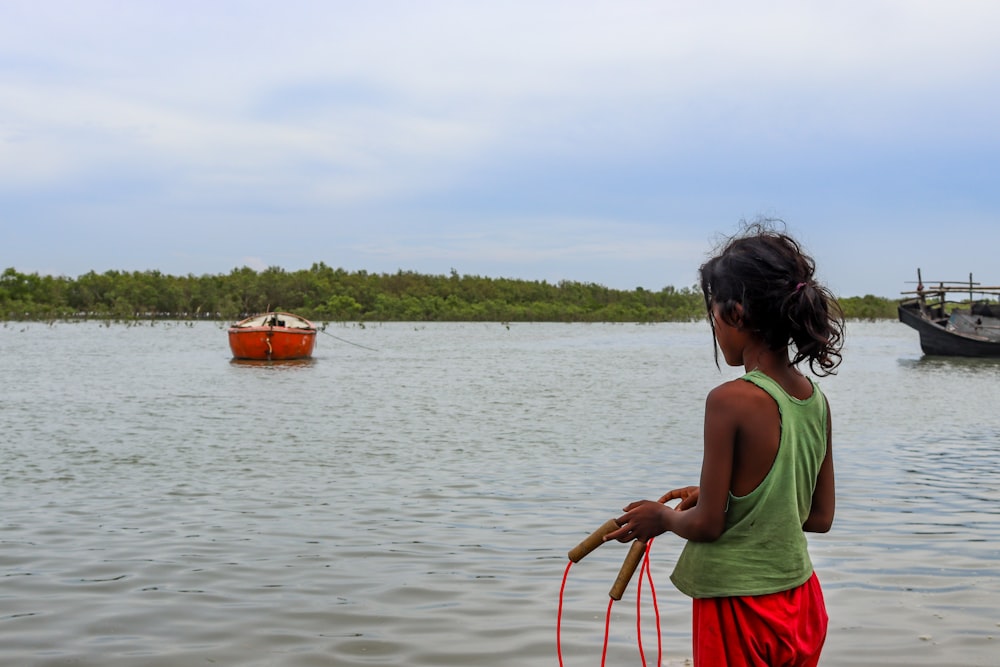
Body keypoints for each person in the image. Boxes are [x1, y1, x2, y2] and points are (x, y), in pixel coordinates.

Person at [604, 221, 844, 666]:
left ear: (735, 313)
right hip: (802, 604)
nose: (713, 326)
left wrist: (661, 517)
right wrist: (734, 499)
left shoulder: (729, 401)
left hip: (740, 607)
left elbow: (707, 525)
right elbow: (818, 516)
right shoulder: (816, 400)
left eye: (712, 313)